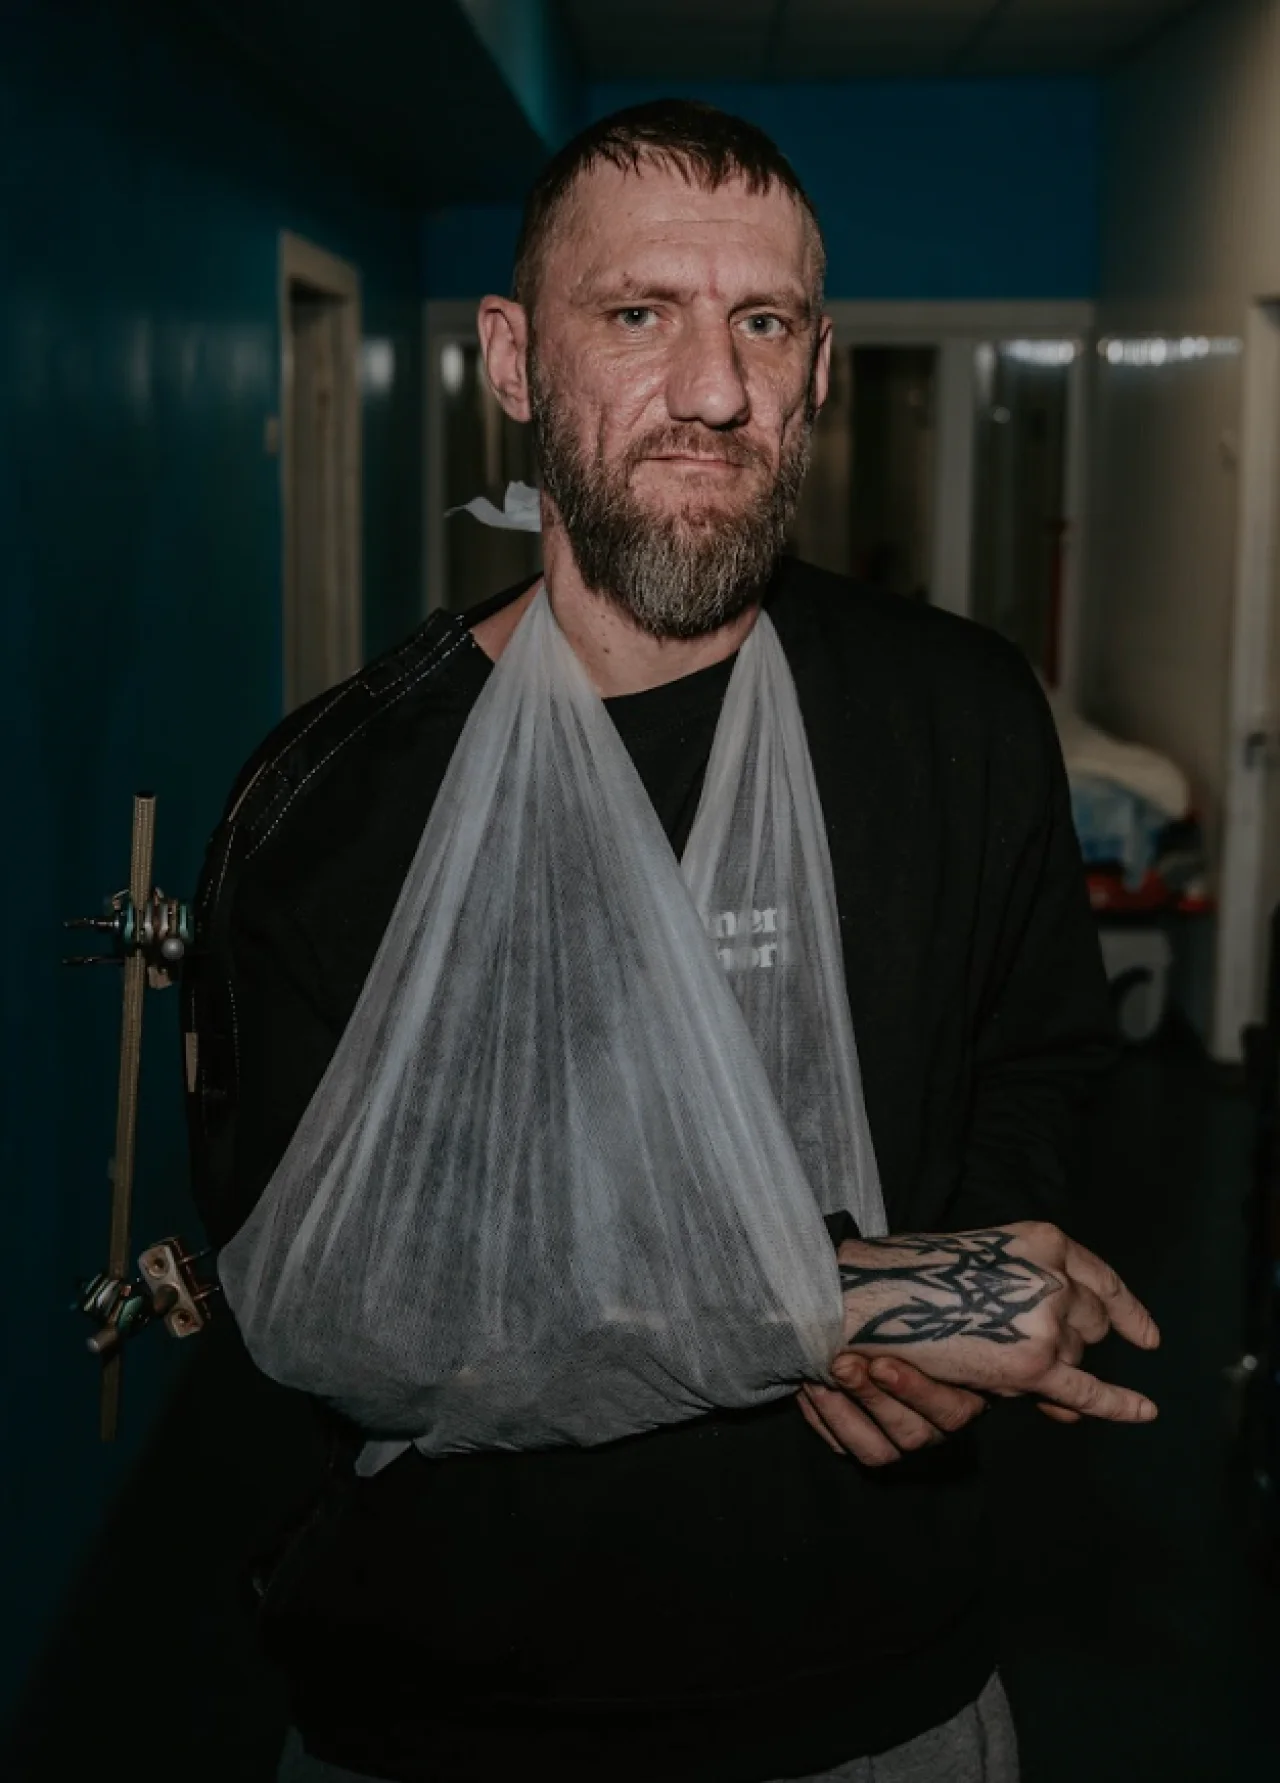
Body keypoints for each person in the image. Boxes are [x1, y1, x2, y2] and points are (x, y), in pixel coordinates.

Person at [184, 100, 1158, 1783]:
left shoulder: (958, 715)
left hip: (875, 1682)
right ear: (514, 358)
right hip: (451, 1709)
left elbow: (1040, 1053)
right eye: (639, 313)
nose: (714, 388)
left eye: (763, 322)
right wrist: (862, 1300)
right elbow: (329, 1310)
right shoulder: (329, 805)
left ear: (820, 366)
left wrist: (974, 1262)